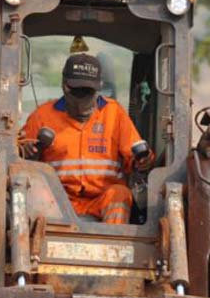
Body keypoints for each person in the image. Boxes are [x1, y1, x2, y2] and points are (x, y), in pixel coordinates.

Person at [20, 53, 154, 225]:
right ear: (64, 86)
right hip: (58, 200)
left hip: (101, 199)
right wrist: (27, 152)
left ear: (98, 88)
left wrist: (142, 161)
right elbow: (19, 155)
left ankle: (111, 246)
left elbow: (134, 157)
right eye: (77, 92)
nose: (82, 99)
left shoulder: (115, 114)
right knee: (35, 192)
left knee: (120, 194)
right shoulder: (42, 116)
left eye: (88, 92)